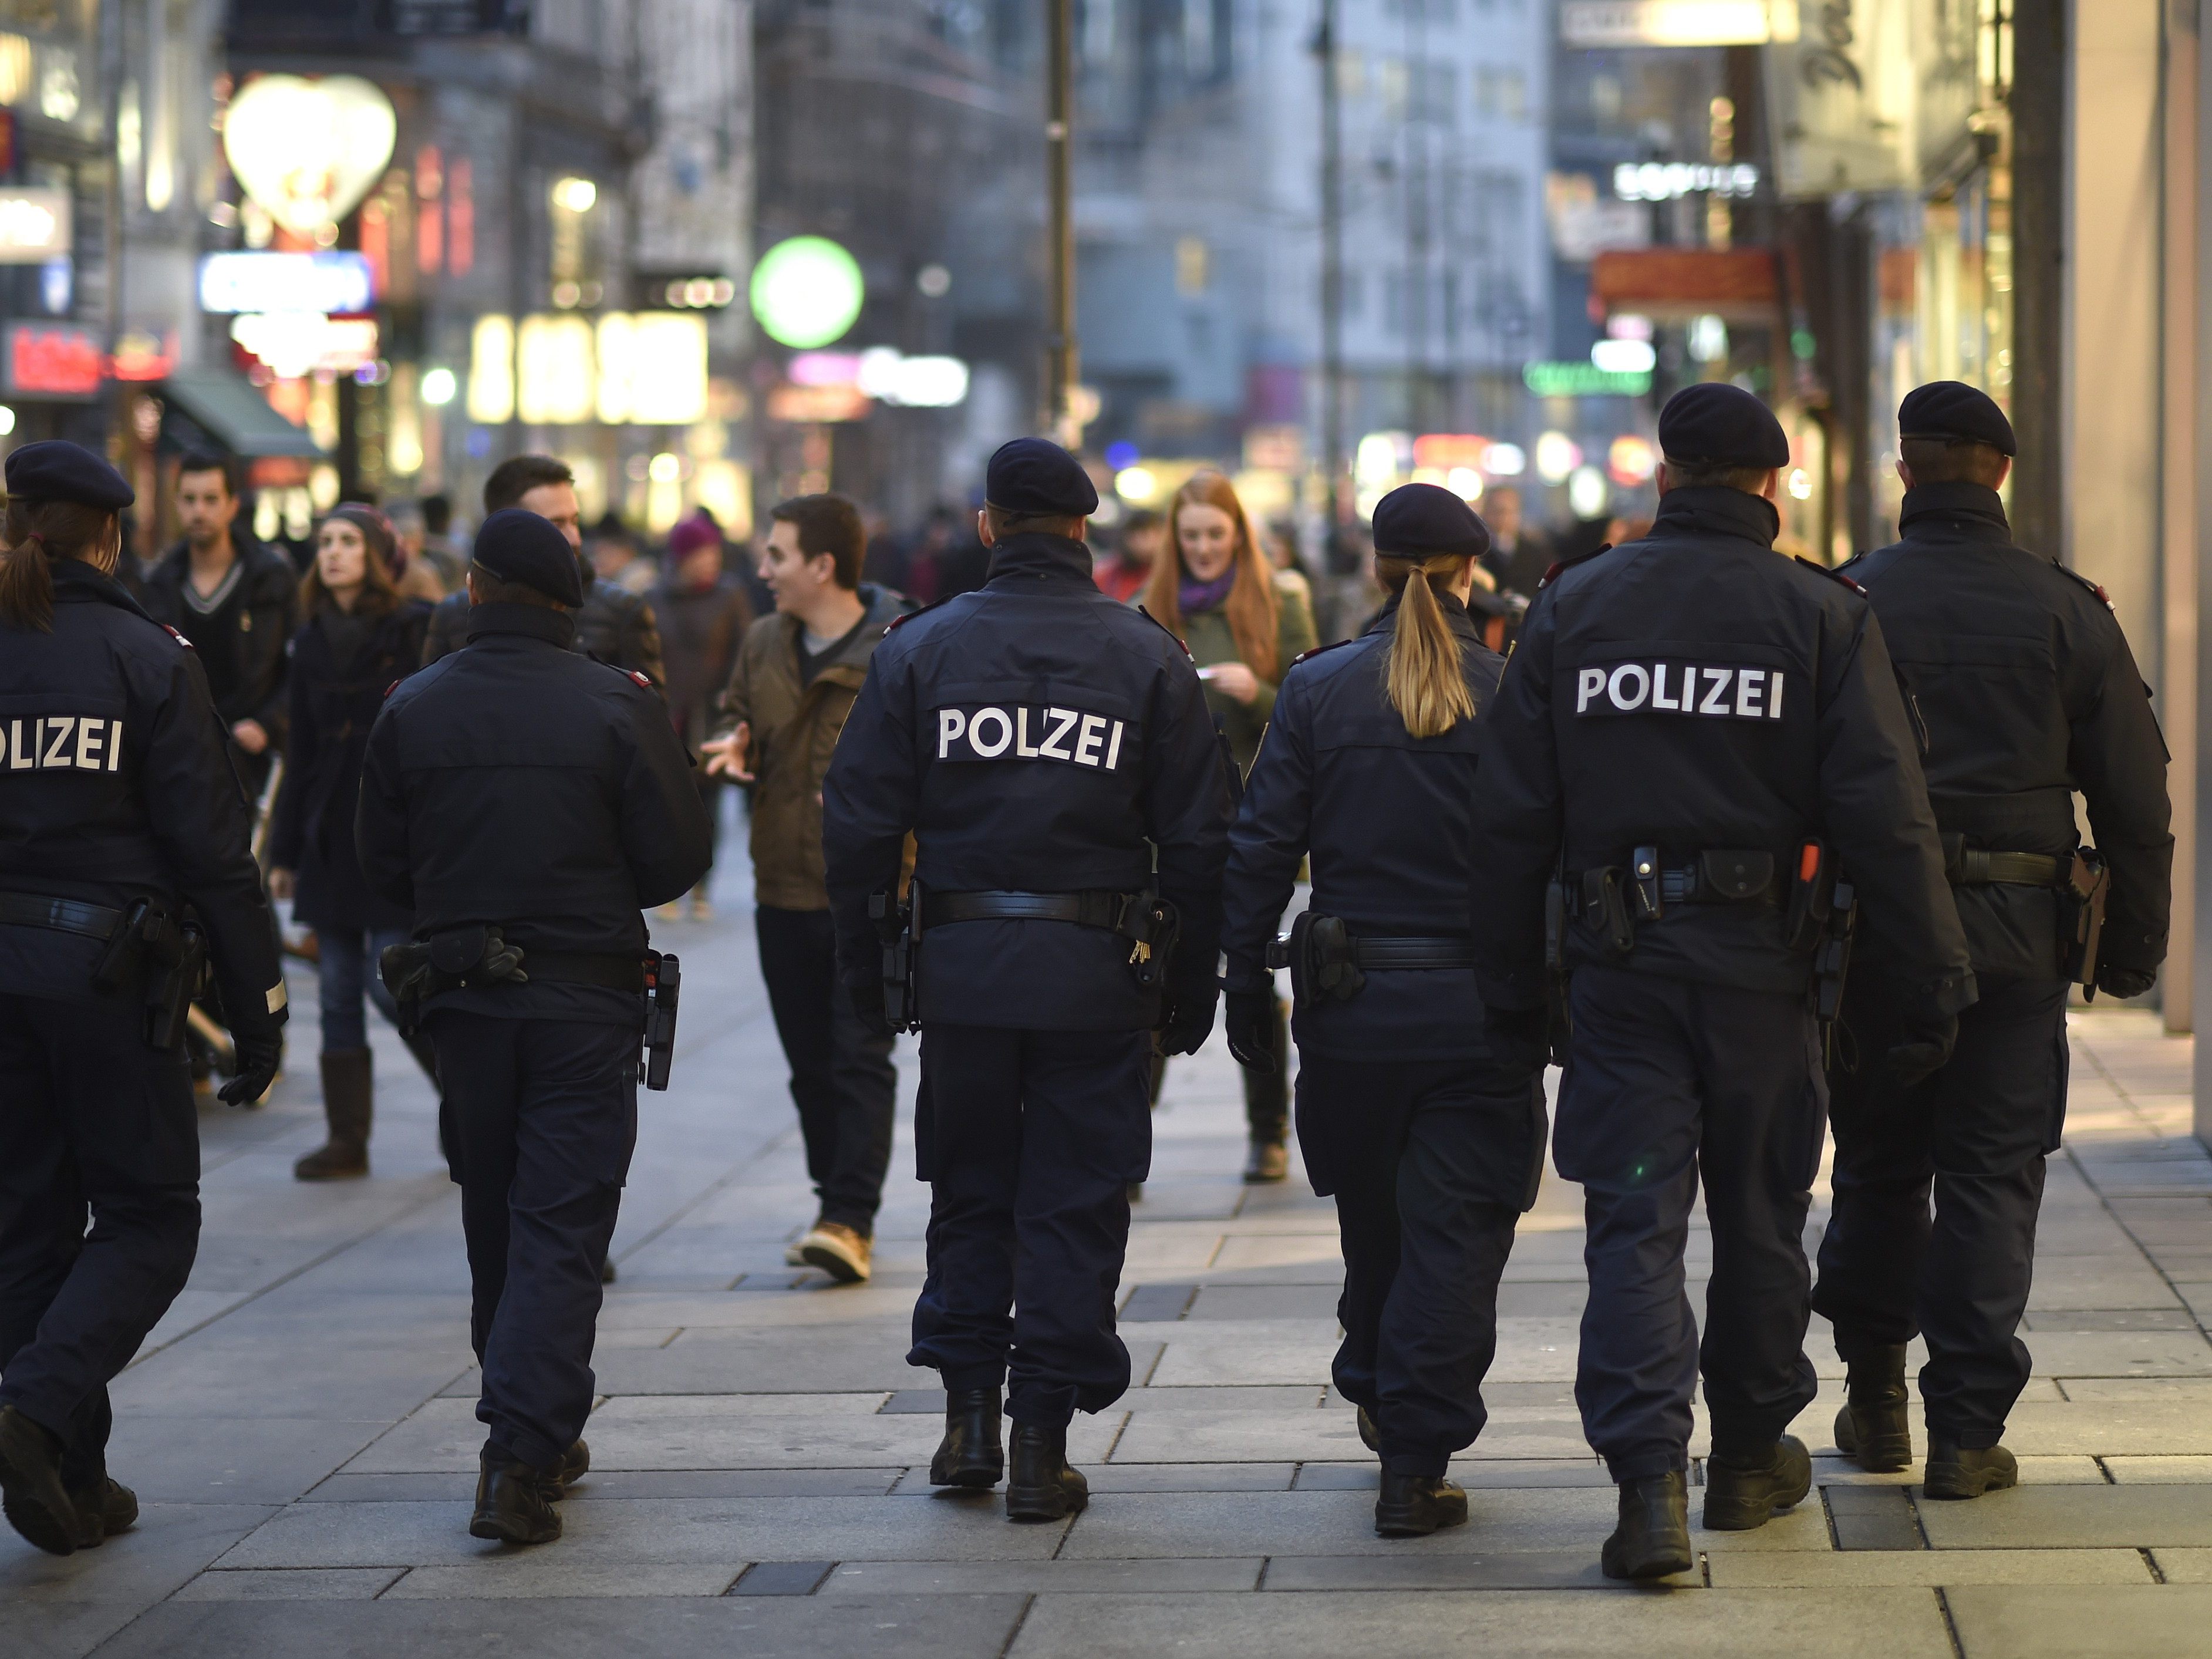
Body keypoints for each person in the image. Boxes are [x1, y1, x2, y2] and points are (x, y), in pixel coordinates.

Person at [1469, 383, 1976, 1580]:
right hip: (1765, 975)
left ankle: (1648, 1488)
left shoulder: (1575, 605)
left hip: (1622, 975)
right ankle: (1749, 1458)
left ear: (1663, 477)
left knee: (1633, 1221)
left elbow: (1510, 813)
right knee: (1761, 1216)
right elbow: (1885, 814)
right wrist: (1934, 975)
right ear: (1773, 484)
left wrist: (1508, 984)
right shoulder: (1821, 614)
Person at [822, 438, 1233, 1523]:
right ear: (1083, 529)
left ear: (988, 525)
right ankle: (1041, 1444)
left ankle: (968, 1421)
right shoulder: (1143, 654)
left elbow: (856, 822)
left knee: (970, 1188)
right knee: (1075, 1200)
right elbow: (1200, 838)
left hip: (963, 973)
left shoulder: (921, 649)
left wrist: (867, 968)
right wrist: (1191, 982)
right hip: (1096, 978)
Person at [1812, 383, 2173, 1497]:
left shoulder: (1846, 601)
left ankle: (1876, 1401)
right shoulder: (2067, 610)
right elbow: (2134, 800)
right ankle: (1966, 1432)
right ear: (2003, 474)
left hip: (1876, 934)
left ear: (1904, 471)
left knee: (1877, 1162)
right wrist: (2133, 949)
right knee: (1991, 1174)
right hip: (2020, 936)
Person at [355, 509, 712, 1546]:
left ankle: (533, 1424)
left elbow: (379, 864)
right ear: (570, 603)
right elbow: (675, 857)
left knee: (495, 1216)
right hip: (582, 1001)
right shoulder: (615, 702)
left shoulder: (414, 706)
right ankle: (517, 1453)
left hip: (464, 1002)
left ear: (473, 590)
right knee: (560, 1221)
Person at [1220, 483, 1545, 1537]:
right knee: (1455, 1238)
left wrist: (1240, 979)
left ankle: (1375, 1375)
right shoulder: (1512, 692)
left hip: (1351, 1014)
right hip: (1477, 1015)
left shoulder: (1316, 689)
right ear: (1469, 574)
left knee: (1376, 1230)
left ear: (1373, 567)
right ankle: (1414, 1455)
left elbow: (1261, 846)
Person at [0, 441, 286, 1557]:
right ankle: (32, 1411)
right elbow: (214, 852)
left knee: (27, 1225)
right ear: (111, 537)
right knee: (151, 1217)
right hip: (108, 980)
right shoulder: (146, 657)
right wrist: (259, 1008)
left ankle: (71, 1475)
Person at [700, 495, 908, 1283]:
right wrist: (734, 744)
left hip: (871, 894)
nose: (763, 570)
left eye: (777, 555)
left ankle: (850, 1216)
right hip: (782, 887)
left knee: (860, 1056)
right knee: (809, 1063)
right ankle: (834, 1205)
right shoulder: (763, 640)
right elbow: (738, 715)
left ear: (823, 566)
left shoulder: (901, 645)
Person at [1139, 470, 1317, 1182]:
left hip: (1252, 820)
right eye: (1192, 536)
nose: (1205, 548)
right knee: (1150, 973)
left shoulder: (1280, 600)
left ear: (1238, 535)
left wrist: (1259, 689)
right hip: (1174, 822)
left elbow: (1310, 704)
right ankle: (1129, 1143)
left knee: (1251, 974)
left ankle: (1268, 1134)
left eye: (1216, 534)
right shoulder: (1150, 608)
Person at [268, 507, 436, 1181]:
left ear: (377, 556)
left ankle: (467, 1100)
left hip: (389, 828)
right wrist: (283, 852)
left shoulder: (411, 628)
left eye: (348, 542)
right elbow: (301, 750)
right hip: (327, 833)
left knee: (390, 983)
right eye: (326, 543)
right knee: (337, 988)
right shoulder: (309, 638)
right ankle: (347, 1140)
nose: (333, 553)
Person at [137, 450, 299, 804]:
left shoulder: (270, 578)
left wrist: (269, 724)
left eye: (211, 499)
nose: (199, 511)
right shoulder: (159, 583)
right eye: (189, 499)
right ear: (176, 504)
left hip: (253, 754)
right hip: (181, 754)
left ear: (232, 505)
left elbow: (300, 663)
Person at [422, 457, 667, 691]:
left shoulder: (623, 611)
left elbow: (646, 711)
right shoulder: (452, 615)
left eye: (575, 521)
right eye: (556, 525)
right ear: (505, 528)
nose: (575, 538)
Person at [652, 514, 753, 922]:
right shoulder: (655, 597)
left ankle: (702, 888)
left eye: (713, 553)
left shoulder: (730, 595)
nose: (710, 561)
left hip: (712, 712)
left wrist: (733, 695)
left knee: (708, 804)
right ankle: (669, 886)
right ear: (682, 557)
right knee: (666, 805)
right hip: (666, 714)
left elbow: (745, 649)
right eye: (700, 554)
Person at [1481, 484, 1550, 600]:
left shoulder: (1536, 554)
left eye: (1509, 512)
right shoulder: (1476, 554)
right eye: (1497, 511)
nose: (1503, 518)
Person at [1092, 508, 1162, 602]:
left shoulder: (1170, 573)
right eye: (1137, 534)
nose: (1142, 541)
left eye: (1153, 533)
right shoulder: (1106, 573)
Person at [591, 511, 657, 596]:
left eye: (607, 551)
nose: (600, 558)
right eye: (597, 552)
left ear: (626, 552)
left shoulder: (637, 582)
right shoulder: (619, 579)